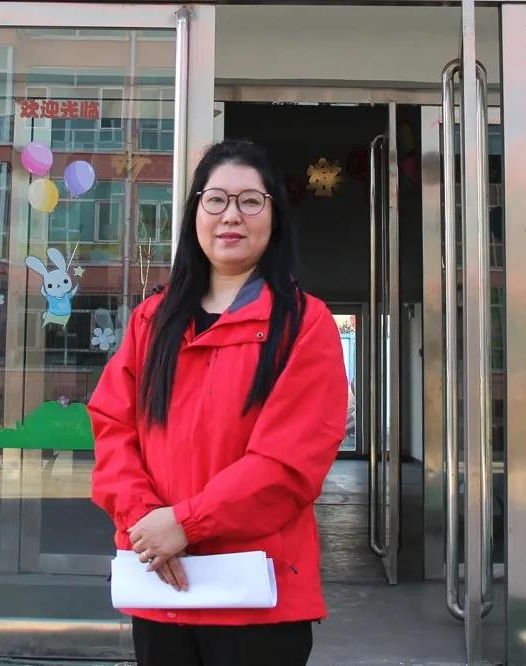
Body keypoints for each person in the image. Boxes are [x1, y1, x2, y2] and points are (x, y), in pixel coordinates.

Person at [88, 140, 348, 666]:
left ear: (274, 215)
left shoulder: (304, 323)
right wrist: (147, 523)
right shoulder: (152, 320)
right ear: (195, 213)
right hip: (161, 588)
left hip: (257, 598)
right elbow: (113, 427)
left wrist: (185, 525)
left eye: (251, 201)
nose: (232, 215)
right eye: (216, 200)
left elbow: (287, 465)